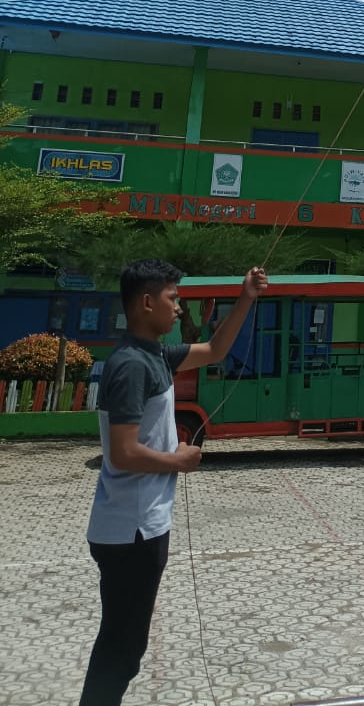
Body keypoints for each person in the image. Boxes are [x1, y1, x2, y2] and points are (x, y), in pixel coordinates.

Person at [79, 258, 268, 706]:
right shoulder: (131, 365)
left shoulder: (156, 356)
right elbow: (122, 452)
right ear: (147, 302)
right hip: (130, 531)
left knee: (126, 646)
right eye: (173, 298)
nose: (180, 307)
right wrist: (177, 461)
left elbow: (215, 350)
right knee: (120, 649)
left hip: (143, 527)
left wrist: (245, 297)